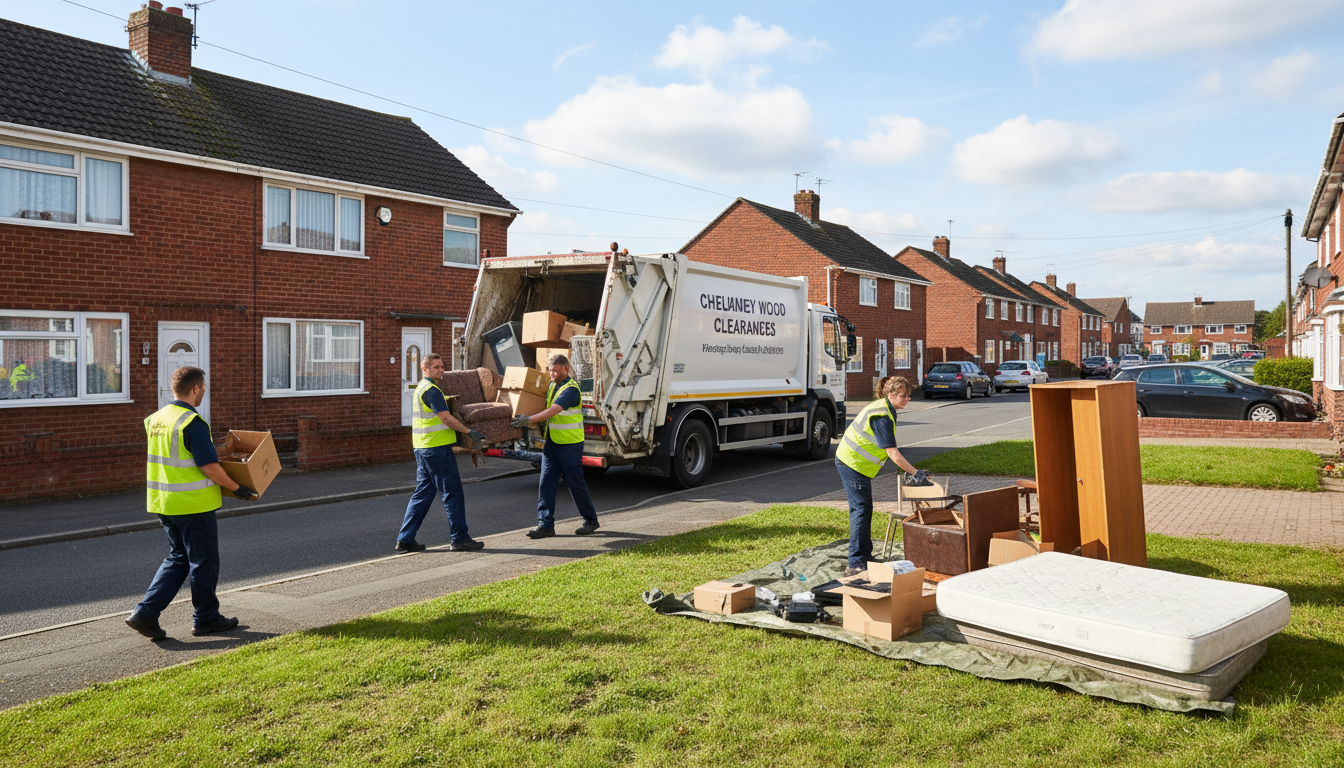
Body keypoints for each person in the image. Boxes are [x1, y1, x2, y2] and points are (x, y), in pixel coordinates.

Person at [126, 366, 257, 641]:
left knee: (178, 559)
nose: (205, 392)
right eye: (204, 387)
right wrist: (238, 488)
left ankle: (145, 614)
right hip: (193, 505)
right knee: (203, 562)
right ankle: (206, 618)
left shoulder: (156, 419)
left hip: (165, 503)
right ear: (195, 388)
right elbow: (208, 466)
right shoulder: (192, 422)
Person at [834, 375, 927, 577]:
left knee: (864, 508)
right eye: (904, 396)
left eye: (909, 396)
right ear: (891, 395)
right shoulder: (882, 415)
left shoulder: (885, 408)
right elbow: (892, 452)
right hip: (852, 463)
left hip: (856, 463)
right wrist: (915, 473)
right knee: (861, 509)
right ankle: (856, 563)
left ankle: (864, 557)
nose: (908, 399)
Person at [397, 353, 485, 553]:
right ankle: (460, 538)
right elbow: (446, 419)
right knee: (452, 493)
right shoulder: (432, 390)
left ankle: (405, 539)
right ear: (425, 369)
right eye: (436, 367)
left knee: (422, 495)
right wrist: (469, 432)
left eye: (442, 366)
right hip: (436, 451)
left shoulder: (421, 387)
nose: (441, 370)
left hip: (423, 449)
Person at [513, 354, 599, 538]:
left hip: (570, 444)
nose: (552, 374)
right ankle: (545, 524)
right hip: (552, 443)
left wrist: (528, 420)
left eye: (556, 370)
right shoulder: (552, 385)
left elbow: (553, 411)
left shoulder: (571, 390)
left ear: (566, 368)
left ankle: (590, 520)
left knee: (575, 483)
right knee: (546, 482)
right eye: (550, 370)